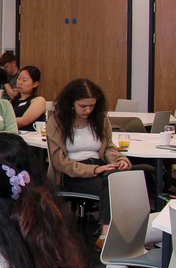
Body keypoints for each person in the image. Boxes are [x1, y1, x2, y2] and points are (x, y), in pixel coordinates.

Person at [46, 78, 145, 235]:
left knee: (119, 179)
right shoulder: (56, 122)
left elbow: (108, 148)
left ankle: (111, 234)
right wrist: (95, 169)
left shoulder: (100, 120)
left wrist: (119, 160)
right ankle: (109, 234)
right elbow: (60, 163)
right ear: (71, 103)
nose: (88, 110)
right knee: (114, 186)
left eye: (92, 106)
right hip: (73, 173)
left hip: (101, 167)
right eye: (83, 106)